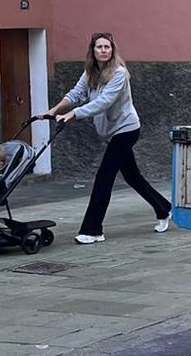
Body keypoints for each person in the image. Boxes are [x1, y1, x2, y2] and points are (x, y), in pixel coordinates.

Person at [48, 32, 173, 245]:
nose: (104, 50)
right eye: (100, 47)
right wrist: (54, 110)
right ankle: (164, 208)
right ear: (93, 51)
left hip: (126, 129)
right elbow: (76, 94)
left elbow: (103, 102)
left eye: (107, 47)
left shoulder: (119, 74)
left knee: (104, 177)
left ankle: (93, 229)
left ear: (112, 50)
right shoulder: (90, 72)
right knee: (133, 176)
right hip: (111, 132)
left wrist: (74, 114)